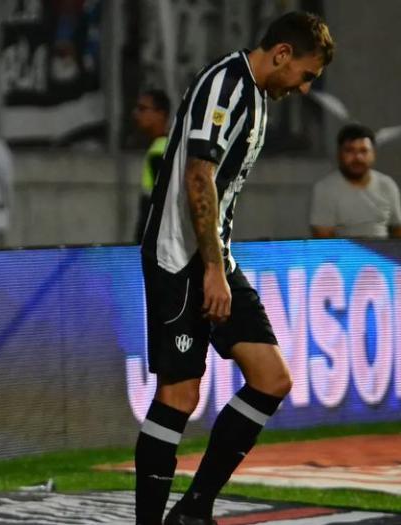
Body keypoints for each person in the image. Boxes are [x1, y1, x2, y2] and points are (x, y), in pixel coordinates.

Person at [137, 11, 334, 525]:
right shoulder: (228, 86)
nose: (306, 88)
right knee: (179, 394)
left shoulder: (257, 96)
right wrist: (212, 272)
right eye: (307, 75)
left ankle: (195, 508)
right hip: (180, 258)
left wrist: (219, 263)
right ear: (283, 54)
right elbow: (198, 179)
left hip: (214, 256)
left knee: (270, 379)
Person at [310, 124, 401, 239]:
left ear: (373, 154)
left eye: (364, 151)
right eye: (350, 151)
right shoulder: (324, 189)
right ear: (339, 154)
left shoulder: (387, 185)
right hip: (344, 255)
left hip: (384, 255)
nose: (358, 157)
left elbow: (398, 230)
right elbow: (324, 242)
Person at [132, 89, 170, 243]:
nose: (136, 114)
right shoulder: (162, 146)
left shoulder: (160, 151)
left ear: (160, 114)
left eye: (142, 109)